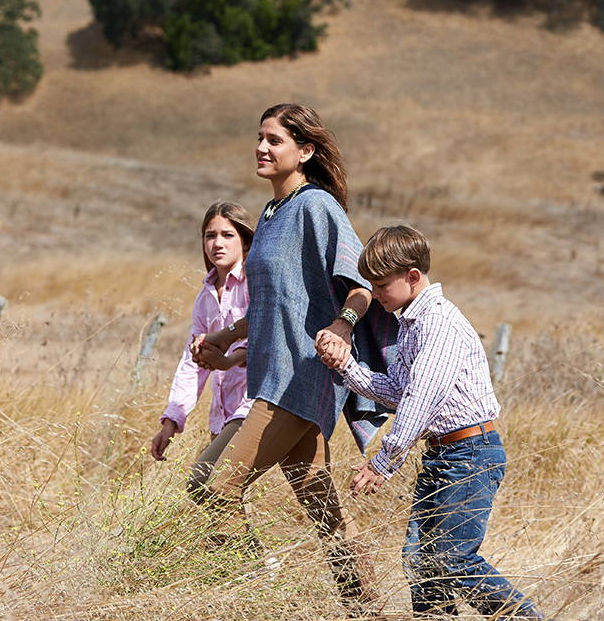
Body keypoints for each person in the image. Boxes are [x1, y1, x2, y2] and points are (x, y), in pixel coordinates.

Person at [191, 103, 396, 615]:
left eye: (275, 140)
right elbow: (274, 305)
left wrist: (341, 325)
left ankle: (257, 596)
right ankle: (366, 608)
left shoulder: (316, 206)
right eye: (260, 138)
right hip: (272, 377)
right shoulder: (269, 213)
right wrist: (229, 336)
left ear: (304, 151)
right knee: (326, 514)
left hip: (299, 380)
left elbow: (361, 286)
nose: (262, 147)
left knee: (213, 490)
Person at [318, 225, 545, 619]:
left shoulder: (439, 323)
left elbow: (421, 399)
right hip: (443, 453)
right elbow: (398, 392)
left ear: (412, 277)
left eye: (382, 284)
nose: (375, 293)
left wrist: (383, 461)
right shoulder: (412, 324)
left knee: (452, 560)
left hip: (470, 454)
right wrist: (347, 366)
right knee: (421, 565)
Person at [150, 201, 254, 499]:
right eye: (210, 236)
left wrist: (228, 359)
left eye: (227, 235)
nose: (217, 243)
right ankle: (243, 548)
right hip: (222, 414)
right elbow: (191, 363)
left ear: (245, 240)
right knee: (222, 498)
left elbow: (262, 337)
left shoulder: (254, 284)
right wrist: (171, 422)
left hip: (251, 405)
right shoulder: (204, 298)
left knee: (204, 485)